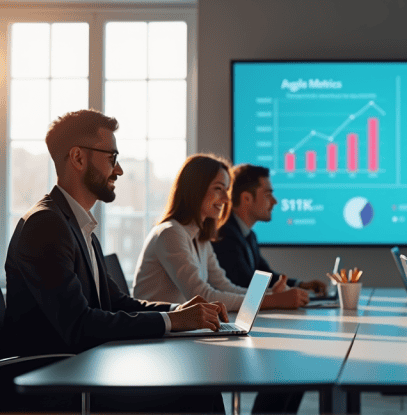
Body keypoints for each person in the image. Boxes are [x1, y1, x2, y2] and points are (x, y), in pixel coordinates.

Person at [1, 109, 227, 412]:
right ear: (78, 158)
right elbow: (79, 325)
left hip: (85, 369)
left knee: (198, 385)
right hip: (59, 382)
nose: (119, 169)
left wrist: (180, 310)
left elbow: (117, 302)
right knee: (198, 392)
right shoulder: (46, 225)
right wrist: (175, 321)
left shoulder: (78, 227)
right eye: (111, 158)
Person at [133, 154, 310, 311]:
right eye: (219, 189)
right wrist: (273, 300)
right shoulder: (170, 233)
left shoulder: (200, 238)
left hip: (178, 334)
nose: (226, 199)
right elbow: (202, 296)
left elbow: (225, 287)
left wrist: (271, 294)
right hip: (157, 338)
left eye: (226, 190)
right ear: (196, 189)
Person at [212, 164, 327, 298]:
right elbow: (246, 284)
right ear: (246, 198)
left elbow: (264, 275)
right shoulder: (223, 236)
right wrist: (283, 296)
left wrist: (299, 284)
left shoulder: (248, 235)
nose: (274, 201)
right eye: (268, 195)